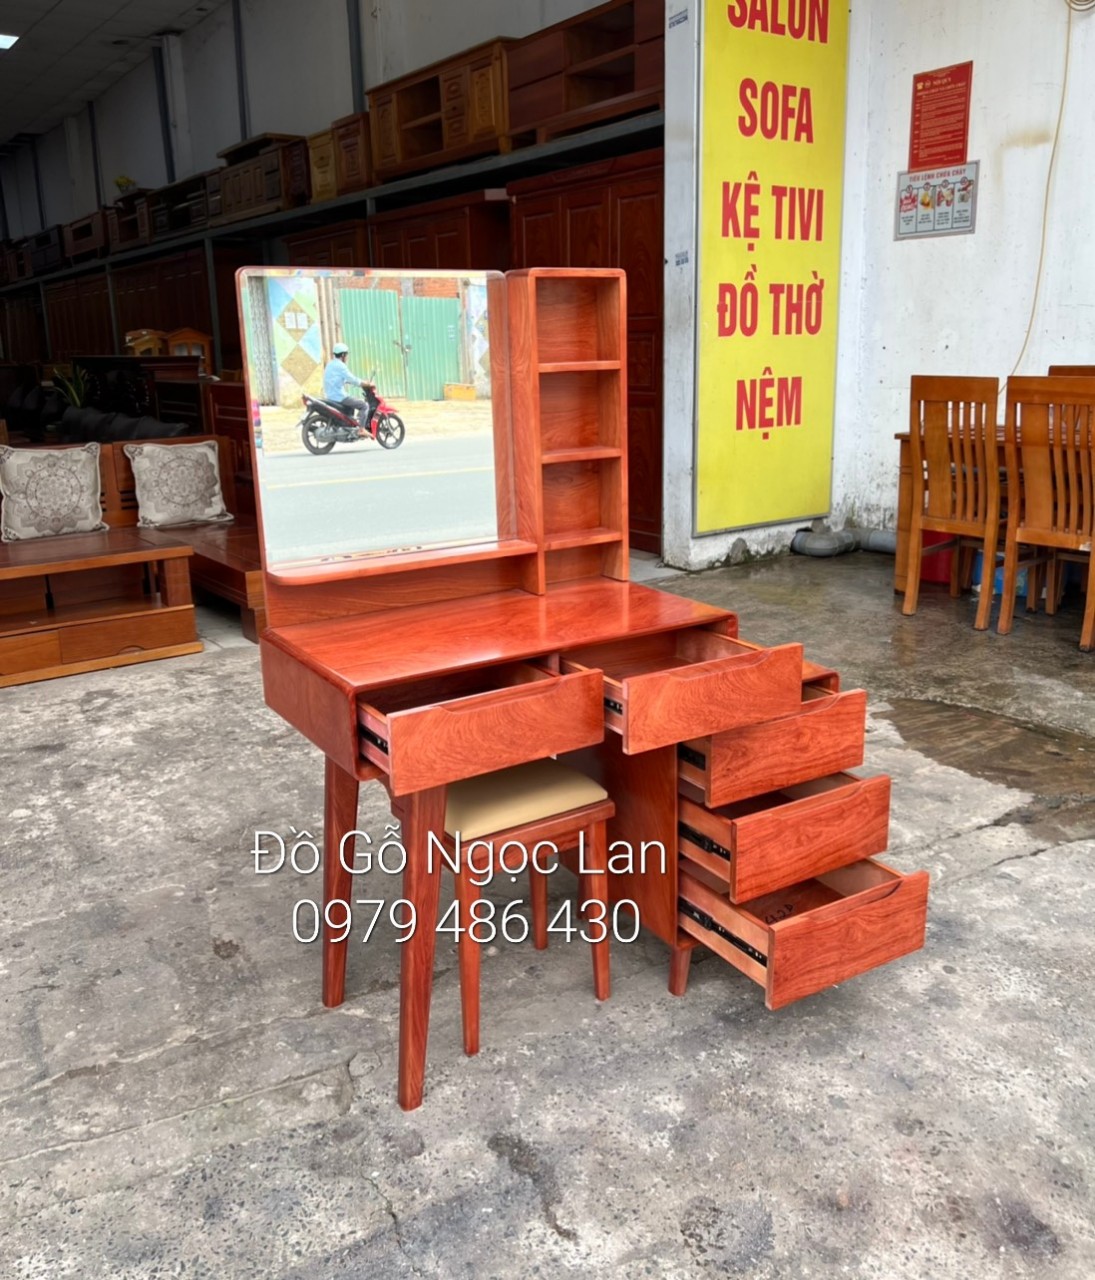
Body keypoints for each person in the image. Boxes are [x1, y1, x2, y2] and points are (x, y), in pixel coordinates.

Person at [322, 342, 375, 428]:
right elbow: (353, 379)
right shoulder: (341, 366)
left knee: (352, 404)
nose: (347, 357)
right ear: (343, 355)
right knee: (364, 405)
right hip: (339, 396)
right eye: (347, 355)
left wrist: (349, 382)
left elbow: (339, 379)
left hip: (330, 395)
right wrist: (367, 383)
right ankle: (361, 429)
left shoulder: (330, 364)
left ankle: (350, 426)